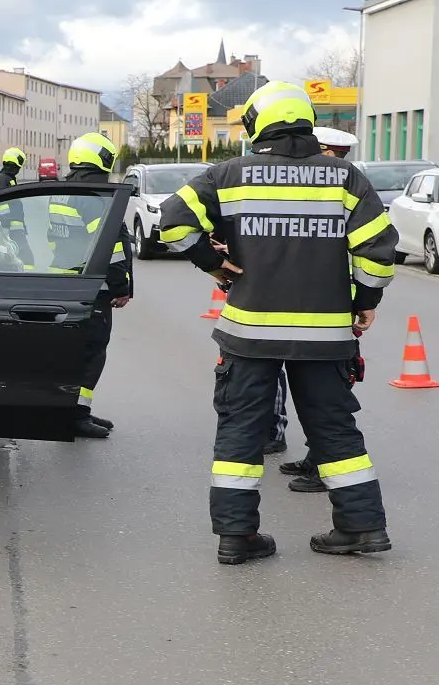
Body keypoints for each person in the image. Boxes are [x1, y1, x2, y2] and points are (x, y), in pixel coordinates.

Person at [158, 80, 399, 565]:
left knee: (241, 432)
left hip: (249, 334)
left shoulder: (227, 175)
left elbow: (173, 220)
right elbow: (377, 252)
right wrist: (364, 300)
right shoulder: (344, 177)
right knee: (335, 431)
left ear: (255, 125)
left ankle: (236, 537)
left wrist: (213, 262)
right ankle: (361, 527)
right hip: (325, 334)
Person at [277, 124, 362, 489]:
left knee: (326, 400)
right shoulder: (333, 183)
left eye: (336, 155)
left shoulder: (342, 183)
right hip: (325, 304)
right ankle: (316, 457)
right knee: (319, 396)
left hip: (323, 306)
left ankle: (325, 467)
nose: (330, 160)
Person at [54, 132, 132, 438]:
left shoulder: (66, 190)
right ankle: (76, 415)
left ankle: (71, 410)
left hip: (67, 280)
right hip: (92, 287)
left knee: (73, 352)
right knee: (91, 353)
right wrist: (120, 286)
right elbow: (108, 246)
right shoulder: (96, 195)